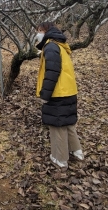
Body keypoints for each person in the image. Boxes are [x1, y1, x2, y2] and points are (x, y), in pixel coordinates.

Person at [34, 21, 84, 169]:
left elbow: (52, 73)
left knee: (57, 127)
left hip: (58, 93)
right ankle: (77, 152)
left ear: (45, 31)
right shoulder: (58, 45)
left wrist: (45, 94)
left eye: (39, 31)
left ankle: (60, 158)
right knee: (68, 124)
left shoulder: (50, 46)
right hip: (68, 90)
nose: (38, 34)